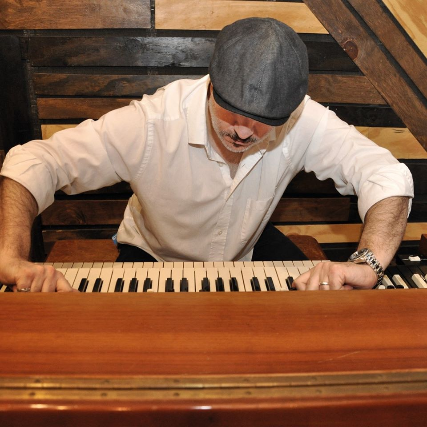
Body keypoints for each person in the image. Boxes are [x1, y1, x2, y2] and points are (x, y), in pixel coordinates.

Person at [0, 17, 413, 293]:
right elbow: (36, 162)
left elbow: (384, 173)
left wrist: (368, 263)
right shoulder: (153, 122)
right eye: (231, 111)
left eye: (263, 121)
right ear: (212, 84)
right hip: (155, 253)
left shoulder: (303, 119)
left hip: (247, 248)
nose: (242, 131)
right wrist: (10, 257)